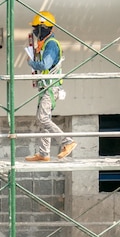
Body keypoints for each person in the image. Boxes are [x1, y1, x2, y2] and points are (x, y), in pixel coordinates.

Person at [25, 11, 77, 162]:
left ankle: (67, 142)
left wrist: (31, 62)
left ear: (44, 28)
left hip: (51, 87)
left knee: (42, 117)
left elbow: (45, 64)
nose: (34, 31)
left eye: (36, 28)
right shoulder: (45, 44)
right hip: (46, 87)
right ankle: (43, 153)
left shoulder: (51, 45)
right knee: (43, 118)